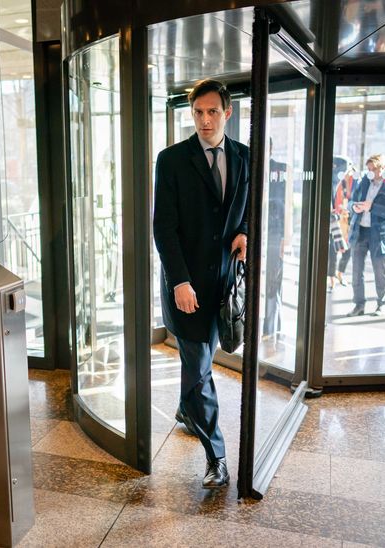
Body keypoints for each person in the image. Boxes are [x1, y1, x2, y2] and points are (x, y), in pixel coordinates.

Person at [153, 79, 249, 489]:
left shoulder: (245, 156)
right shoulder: (172, 159)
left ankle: (185, 408)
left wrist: (244, 232)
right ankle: (217, 456)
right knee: (200, 368)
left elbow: (250, 208)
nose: (205, 120)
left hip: (222, 283)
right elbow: (164, 227)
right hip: (186, 286)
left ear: (227, 113)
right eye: (198, 112)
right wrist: (179, 280)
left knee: (200, 361)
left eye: (212, 112)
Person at [346, 153, 385, 317]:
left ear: (383, 168)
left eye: (374, 169)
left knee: (380, 271)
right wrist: (354, 207)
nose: (370, 172)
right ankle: (359, 305)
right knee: (356, 271)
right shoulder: (364, 181)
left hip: (379, 234)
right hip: (360, 231)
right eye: (369, 169)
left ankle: (382, 304)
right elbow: (351, 201)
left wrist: (372, 207)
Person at [263, 138, 286, 340]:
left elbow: (285, 204)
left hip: (274, 232)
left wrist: (284, 238)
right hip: (248, 234)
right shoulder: (244, 166)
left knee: (272, 281)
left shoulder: (280, 170)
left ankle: (270, 328)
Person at [327, 157, 356, 291]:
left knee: (348, 249)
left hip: (348, 219)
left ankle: (340, 273)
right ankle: (331, 278)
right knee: (333, 250)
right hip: (335, 219)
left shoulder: (355, 181)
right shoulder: (333, 181)